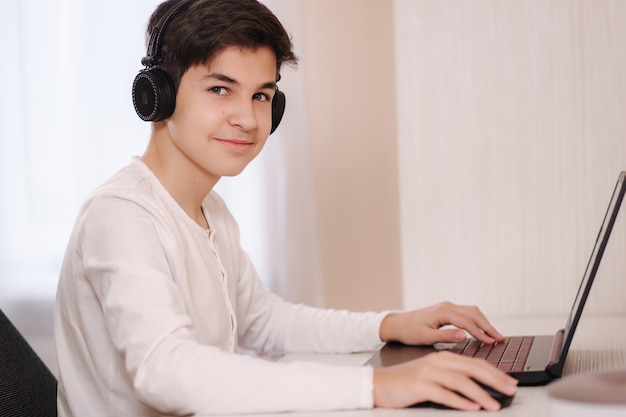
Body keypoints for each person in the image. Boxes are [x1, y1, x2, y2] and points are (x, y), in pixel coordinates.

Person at [54, 0, 518, 415]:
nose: (247, 117)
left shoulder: (211, 211)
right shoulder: (121, 216)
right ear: (158, 94)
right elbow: (166, 372)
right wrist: (377, 385)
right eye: (220, 89)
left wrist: (391, 325)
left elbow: (264, 322)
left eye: (261, 95)